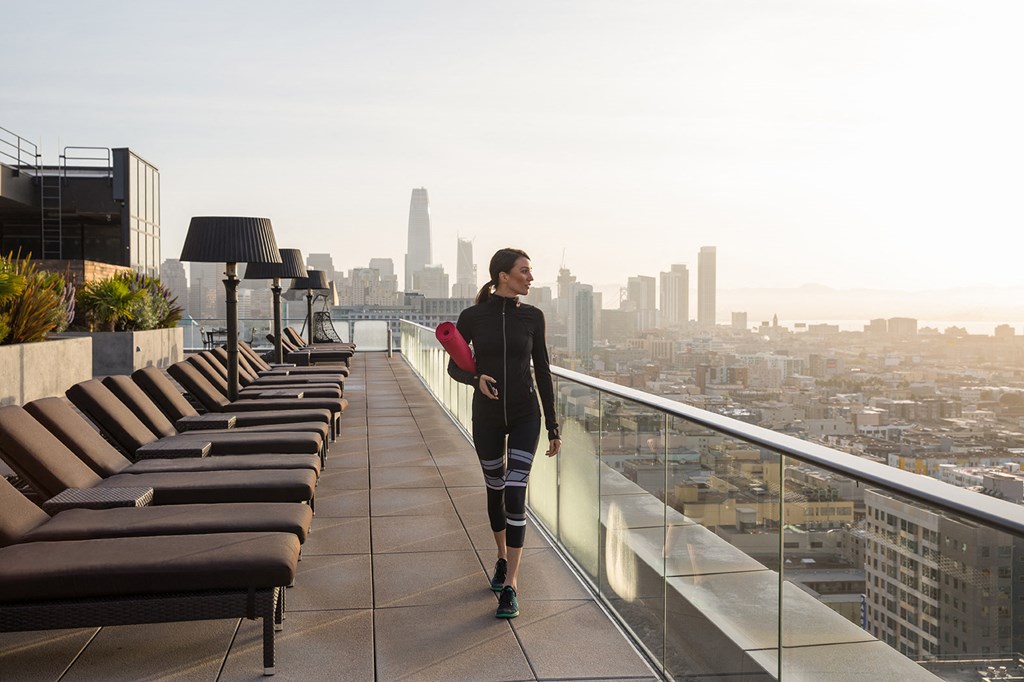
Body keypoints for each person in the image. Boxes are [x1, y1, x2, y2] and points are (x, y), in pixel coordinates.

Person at [447, 247, 561, 619]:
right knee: (495, 489)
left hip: (527, 414)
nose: (530, 277)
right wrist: (474, 378)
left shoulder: (533, 317)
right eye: (524, 271)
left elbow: (542, 371)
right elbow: (454, 367)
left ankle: (511, 583)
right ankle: (500, 557)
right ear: (503, 276)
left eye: (530, 271)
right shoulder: (472, 317)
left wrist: (553, 425)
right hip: (488, 417)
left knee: (516, 492)